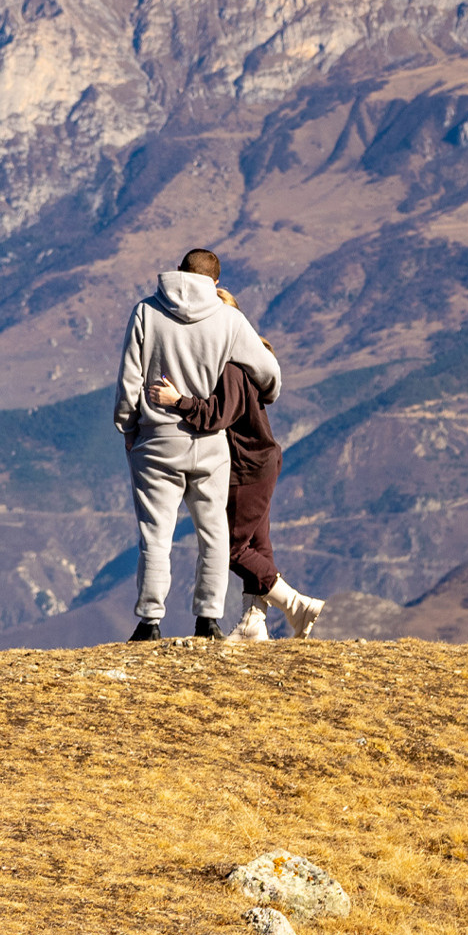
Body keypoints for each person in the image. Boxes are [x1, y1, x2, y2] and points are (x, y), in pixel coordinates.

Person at [112, 248, 265, 641]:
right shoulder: (229, 319)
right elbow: (269, 372)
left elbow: (130, 378)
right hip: (210, 443)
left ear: (179, 273)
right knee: (214, 532)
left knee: (155, 533)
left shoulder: (146, 312)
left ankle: (149, 621)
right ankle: (208, 620)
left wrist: (129, 428)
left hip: (157, 441)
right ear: (215, 283)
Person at [145, 306, 324, 641]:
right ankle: (253, 623)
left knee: (227, 548)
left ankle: (296, 605)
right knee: (258, 544)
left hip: (247, 467)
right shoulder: (244, 366)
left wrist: (177, 400)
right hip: (261, 462)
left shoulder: (230, 370)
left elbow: (215, 416)